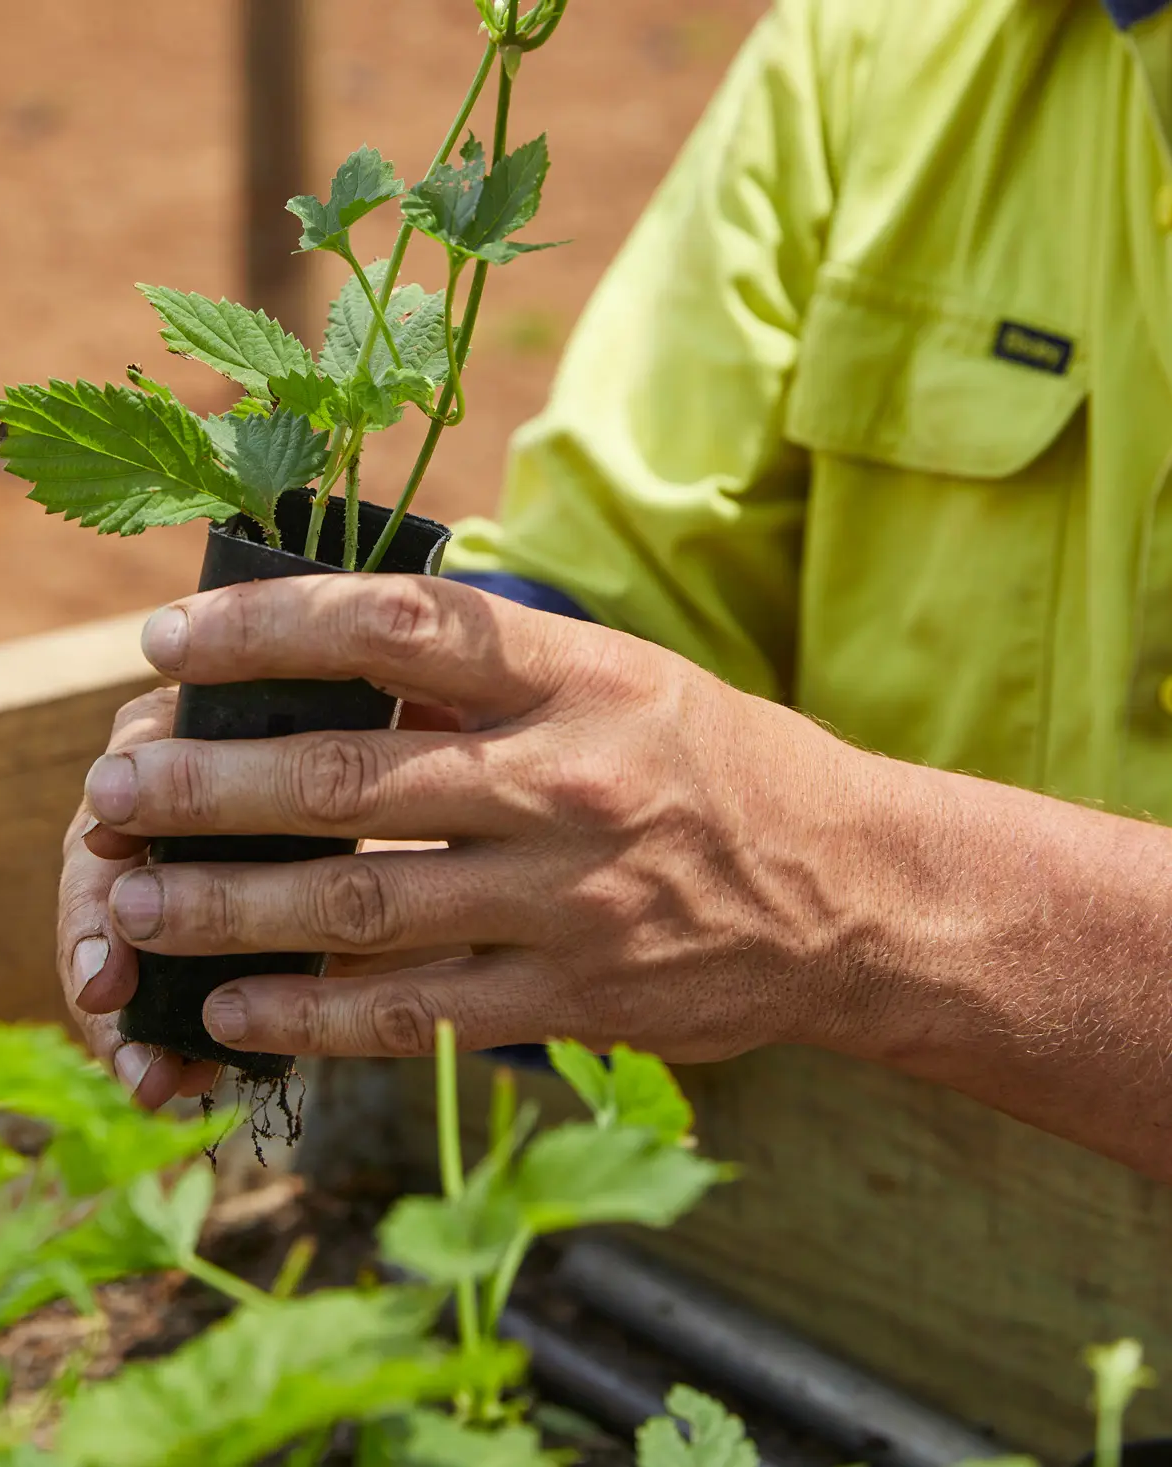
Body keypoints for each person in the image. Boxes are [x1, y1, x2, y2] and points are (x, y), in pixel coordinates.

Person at [57, 0, 1172, 1182]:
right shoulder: (883, 41)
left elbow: (789, 865)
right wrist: (414, 785)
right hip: (843, 1231)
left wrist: (856, 888)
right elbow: (626, 582)